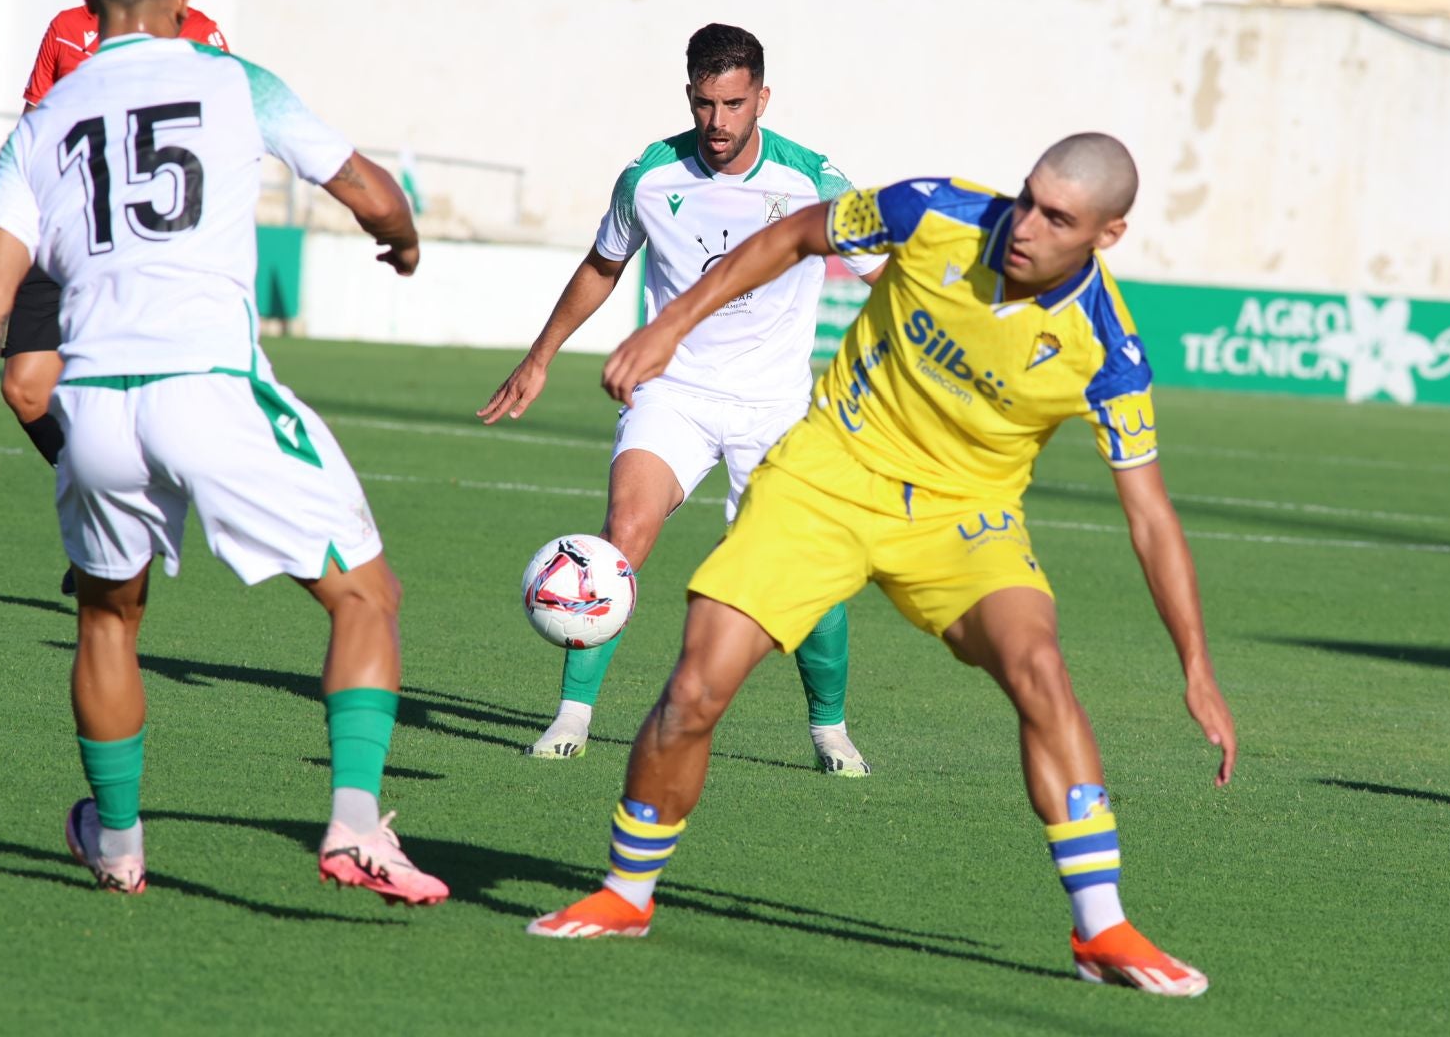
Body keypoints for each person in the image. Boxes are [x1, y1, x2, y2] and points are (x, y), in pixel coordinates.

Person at [526, 134, 1236, 997]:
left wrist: (1195, 665)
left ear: (1107, 235)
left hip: (963, 520)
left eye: (1058, 218)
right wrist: (670, 325)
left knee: (1040, 669)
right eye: (1027, 197)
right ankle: (624, 895)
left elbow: (1151, 517)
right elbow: (793, 236)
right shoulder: (936, 210)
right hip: (824, 479)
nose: (1026, 225)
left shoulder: (1106, 347)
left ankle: (1102, 930)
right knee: (696, 689)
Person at [0, 0, 446, 905]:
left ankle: (117, 842)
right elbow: (370, 189)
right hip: (211, 391)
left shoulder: (41, 121)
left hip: (95, 411)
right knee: (364, 595)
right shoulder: (233, 80)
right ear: (186, 0)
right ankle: (353, 824)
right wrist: (404, 239)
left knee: (108, 618)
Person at [479, 23, 885, 772]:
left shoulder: (812, 183)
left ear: (762, 97)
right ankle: (571, 716)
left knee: (806, 567)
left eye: (734, 104)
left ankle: (829, 729)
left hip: (774, 407)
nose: (719, 124)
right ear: (689, 95)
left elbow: (886, 278)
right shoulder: (651, 176)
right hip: (675, 392)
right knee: (623, 533)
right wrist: (541, 356)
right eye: (705, 104)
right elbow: (603, 265)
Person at [4, 0, 232, 597]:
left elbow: (226, 131)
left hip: (146, 248)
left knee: (154, 407)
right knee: (25, 389)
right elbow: (36, 124)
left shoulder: (202, 34)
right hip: (58, 231)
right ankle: (112, 513)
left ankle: (113, 537)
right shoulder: (70, 31)